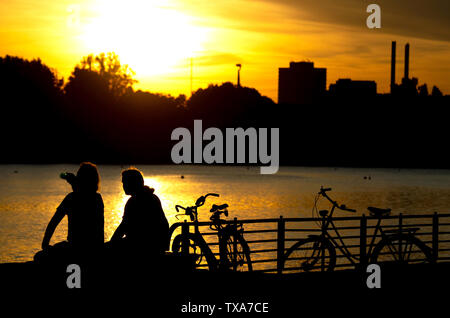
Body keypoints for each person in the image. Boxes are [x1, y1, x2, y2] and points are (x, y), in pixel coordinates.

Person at [36, 162, 104, 263]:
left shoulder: (71, 198)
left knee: (39, 257)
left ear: (80, 178)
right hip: (95, 248)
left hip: (75, 248)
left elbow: (54, 222)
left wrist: (45, 244)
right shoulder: (98, 198)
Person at [109, 168, 169, 256]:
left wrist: (112, 242)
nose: (123, 186)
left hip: (142, 246)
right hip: (158, 245)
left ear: (133, 183)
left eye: (125, 182)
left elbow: (124, 227)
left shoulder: (134, 201)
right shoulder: (153, 197)